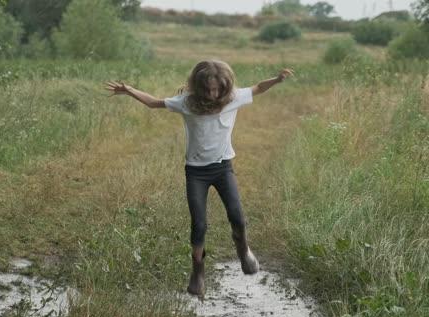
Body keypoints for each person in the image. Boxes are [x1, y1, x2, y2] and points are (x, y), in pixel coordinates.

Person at [104, 60, 294, 297]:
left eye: (218, 89)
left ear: (224, 87)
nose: (214, 94)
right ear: (199, 86)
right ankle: (198, 270)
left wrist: (276, 80)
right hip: (196, 172)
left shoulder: (232, 98)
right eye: (209, 90)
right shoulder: (186, 103)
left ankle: (244, 251)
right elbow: (154, 103)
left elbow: (257, 88)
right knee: (199, 225)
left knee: (237, 216)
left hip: (223, 168)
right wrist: (129, 90)